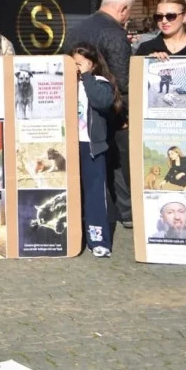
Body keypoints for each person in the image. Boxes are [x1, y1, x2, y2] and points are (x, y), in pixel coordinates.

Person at [66, 0, 134, 229]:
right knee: (118, 160)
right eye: (128, 12)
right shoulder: (114, 33)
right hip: (109, 108)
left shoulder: (78, 27)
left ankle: (92, 212)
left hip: (80, 108)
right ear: (123, 9)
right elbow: (124, 80)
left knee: (90, 164)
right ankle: (125, 212)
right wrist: (124, 114)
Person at [70, 43, 120, 257]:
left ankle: (99, 240)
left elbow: (101, 102)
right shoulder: (65, 82)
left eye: (81, 62)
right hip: (68, 145)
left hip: (90, 145)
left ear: (92, 63)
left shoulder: (101, 83)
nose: (77, 67)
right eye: (74, 62)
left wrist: (87, 76)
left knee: (94, 193)